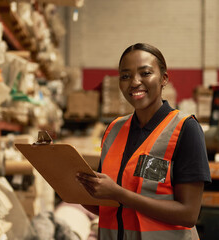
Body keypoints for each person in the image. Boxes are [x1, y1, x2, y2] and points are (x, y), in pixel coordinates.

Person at [76, 43, 211, 240]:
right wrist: (71, 186)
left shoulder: (185, 129)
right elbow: (110, 207)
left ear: (164, 78)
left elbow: (188, 214)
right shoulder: (114, 130)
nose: (134, 82)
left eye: (145, 73)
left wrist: (119, 194)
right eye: (125, 76)